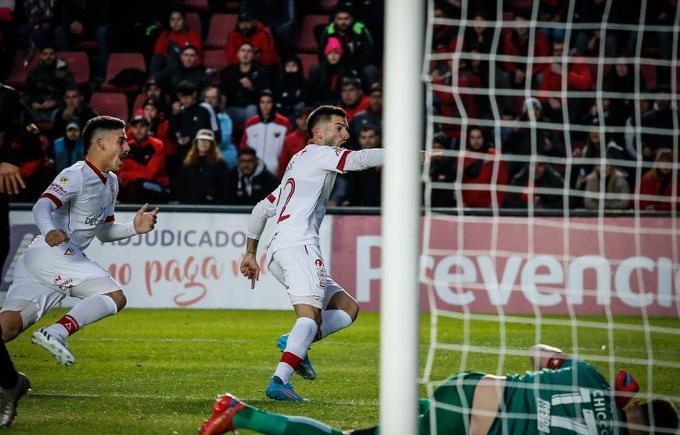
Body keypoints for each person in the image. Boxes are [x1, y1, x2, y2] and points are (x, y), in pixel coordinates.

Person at [198, 343, 679, 435]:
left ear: (635, 402)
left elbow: (538, 351)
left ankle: (237, 413)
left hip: (469, 391)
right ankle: (239, 413)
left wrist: (559, 365)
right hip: (474, 427)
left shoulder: (594, 378)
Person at [239, 105, 385, 401]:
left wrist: (250, 254)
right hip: (298, 245)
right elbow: (359, 160)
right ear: (318, 133)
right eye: (339, 127)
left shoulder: (300, 163)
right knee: (308, 318)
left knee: (347, 308)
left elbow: (260, 209)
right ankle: (279, 381)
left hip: (279, 250)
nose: (346, 133)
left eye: (346, 128)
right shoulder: (320, 154)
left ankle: (295, 343)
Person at [0, 116, 160, 367]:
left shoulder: (112, 182)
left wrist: (134, 228)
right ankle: (56, 332)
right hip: (53, 252)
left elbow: (103, 232)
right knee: (115, 296)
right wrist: (50, 229)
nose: (128, 148)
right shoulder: (76, 174)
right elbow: (42, 206)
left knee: (8, 327)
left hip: (45, 263)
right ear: (101, 143)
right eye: (122, 141)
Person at [0, 82, 31, 428]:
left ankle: (11, 382)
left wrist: (10, 157)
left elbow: (33, 138)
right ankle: (11, 382)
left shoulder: (7, 99)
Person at [317, 5, 379, 90]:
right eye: (340, 19)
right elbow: (321, 53)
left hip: (358, 65)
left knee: (370, 69)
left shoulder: (360, 29)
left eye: (346, 19)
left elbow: (369, 53)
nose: (343, 22)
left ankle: (373, 96)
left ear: (352, 19)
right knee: (316, 69)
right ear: (334, 20)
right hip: (335, 65)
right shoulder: (329, 30)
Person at [117, 111, 169, 203]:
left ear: (148, 128)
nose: (138, 130)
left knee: (139, 184)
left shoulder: (157, 145)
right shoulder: (127, 147)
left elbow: (150, 175)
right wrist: (124, 176)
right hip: (133, 186)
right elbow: (120, 172)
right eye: (135, 127)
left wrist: (125, 175)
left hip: (158, 187)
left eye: (142, 126)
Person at [240, 90, 291, 177]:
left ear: (273, 104)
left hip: (276, 172)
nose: (265, 106)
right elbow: (243, 147)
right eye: (262, 102)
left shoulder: (284, 123)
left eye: (269, 102)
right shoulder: (250, 124)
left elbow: (287, 150)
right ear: (258, 104)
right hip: (254, 172)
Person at [220, 42, 270, 128]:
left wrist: (252, 88)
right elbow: (223, 93)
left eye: (249, 51)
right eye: (243, 51)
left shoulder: (261, 71)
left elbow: (265, 94)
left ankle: (250, 140)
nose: (245, 54)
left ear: (253, 55)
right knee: (224, 116)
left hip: (252, 107)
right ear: (238, 54)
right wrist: (222, 110)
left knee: (251, 110)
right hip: (233, 107)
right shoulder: (228, 71)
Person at [24, 44, 75, 124]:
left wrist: (55, 102)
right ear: (40, 55)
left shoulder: (64, 73)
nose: (48, 57)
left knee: (64, 115)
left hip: (56, 109)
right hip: (36, 109)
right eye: (45, 54)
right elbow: (27, 93)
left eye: (51, 54)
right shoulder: (33, 73)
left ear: (55, 55)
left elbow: (72, 94)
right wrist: (32, 103)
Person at [176, 129, 229, 204]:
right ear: (196, 143)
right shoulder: (187, 164)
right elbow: (180, 187)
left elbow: (224, 188)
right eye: (202, 140)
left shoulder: (221, 165)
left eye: (207, 141)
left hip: (213, 208)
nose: (204, 143)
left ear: (212, 145)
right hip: (189, 207)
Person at [460, 126, 508, 208]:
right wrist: (462, 202)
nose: (476, 141)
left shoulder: (495, 155)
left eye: (479, 137)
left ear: (484, 137)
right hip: (468, 206)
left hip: (489, 206)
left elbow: (502, 182)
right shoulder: (463, 156)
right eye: (472, 138)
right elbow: (460, 182)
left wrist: (497, 202)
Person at [149, 9, 202, 77]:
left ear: (184, 21)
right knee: (156, 58)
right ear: (169, 22)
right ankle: (153, 83)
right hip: (166, 64)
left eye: (179, 19)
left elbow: (196, 54)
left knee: (172, 59)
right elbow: (159, 51)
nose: (175, 22)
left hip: (184, 65)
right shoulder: (166, 34)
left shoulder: (192, 35)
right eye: (172, 20)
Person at [583, 143, 631, 210]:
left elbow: (624, 203)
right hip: (596, 214)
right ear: (596, 167)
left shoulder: (621, 180)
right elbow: (587, 202)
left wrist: (604, 205)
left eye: (606, 165)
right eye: (600, 165)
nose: (603, 168)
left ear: (611, 166)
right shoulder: (591, 179)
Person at [277, 106, 309, 180]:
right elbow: (283, 163)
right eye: (301, 118)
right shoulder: (289, 139)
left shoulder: (319, 139)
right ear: (296, 120)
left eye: (307, 118)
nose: (304, 121)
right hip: (294, 180)